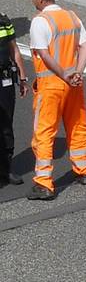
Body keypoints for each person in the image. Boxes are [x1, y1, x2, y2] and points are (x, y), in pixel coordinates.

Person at [26, 0, 86, 201]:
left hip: (52, 85)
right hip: (74, 84)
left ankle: (44, 183)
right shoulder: (71, 16)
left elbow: (44, 55)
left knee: (44, 132)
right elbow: (85, 45)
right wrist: (77, 72)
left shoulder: (40, 21)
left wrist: (63, 74)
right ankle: (83, 171)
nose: (32, 0)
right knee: (77, 125)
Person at [0, 9, 27, 186]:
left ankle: (6, 169)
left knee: (6, 126)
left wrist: (22, 78)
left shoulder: (4, 21)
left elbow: (14, 51)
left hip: (5, 80)